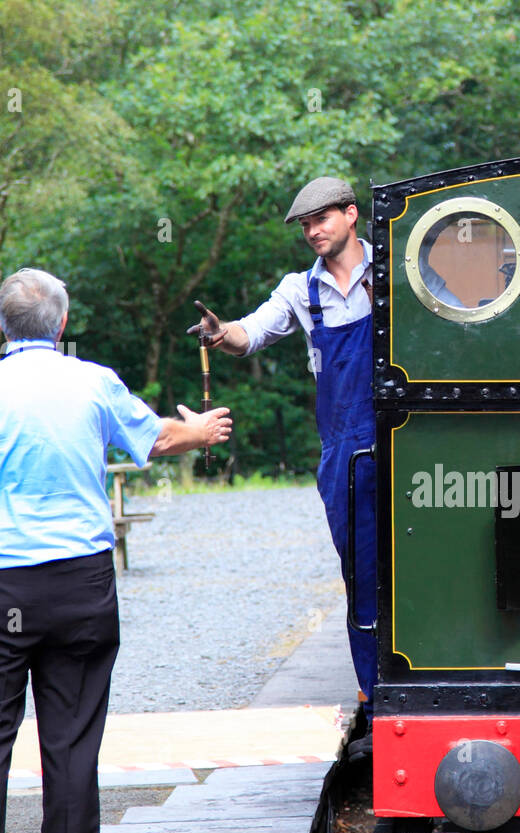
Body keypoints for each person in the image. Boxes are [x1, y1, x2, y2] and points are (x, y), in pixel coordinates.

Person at [0, 268, 232, 833]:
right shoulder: (95, 382)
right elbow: (157, 438)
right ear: (62, 324)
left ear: (1, 325)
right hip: (81, 586)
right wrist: (201, 430)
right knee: (71, 740)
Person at [188, 176, 377, 714]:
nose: (312, 231)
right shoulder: (301, 289)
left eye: (321, 219)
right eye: (305, 225)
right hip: (343, 449)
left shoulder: (391, 270)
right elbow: (252, 332)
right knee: (359, 571)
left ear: (350, 214)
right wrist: (221, 332)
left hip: (403, 438)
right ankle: (373, 690)